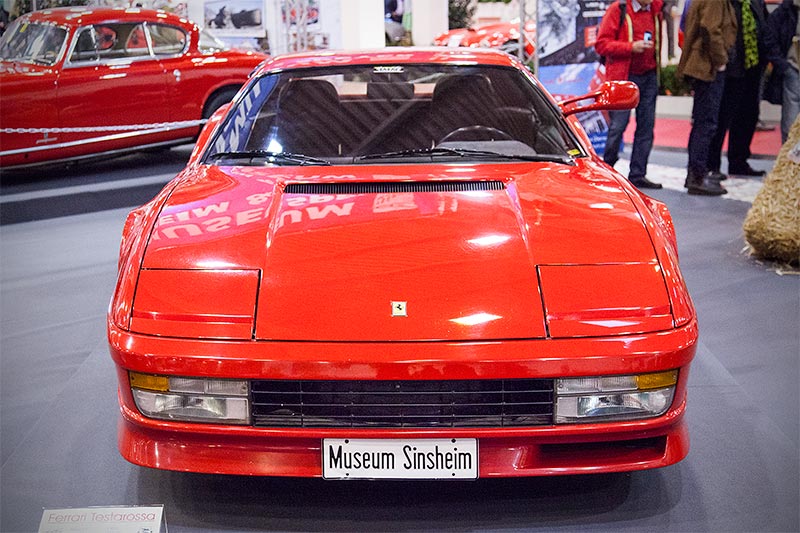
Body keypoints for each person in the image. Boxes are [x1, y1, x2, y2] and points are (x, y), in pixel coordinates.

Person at [596, 0, 664, 190]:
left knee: (646, 127)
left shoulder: (655, 8)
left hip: (649, 76)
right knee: (618, 126)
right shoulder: (618, 9)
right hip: (624, 78)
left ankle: (638, 174)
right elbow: (601, 45)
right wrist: (630, 47)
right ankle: (607, 170)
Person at [677, 0, 737, 195]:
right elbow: (710, 28)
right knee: (706, 123)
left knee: (703, 122)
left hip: (704, 67)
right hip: (707, 68)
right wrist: (721, 60)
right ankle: (697, 176)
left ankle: (696, 174)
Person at [707, 0, 770, 178]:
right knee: (722, 117)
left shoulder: (756, 2)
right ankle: (712, 165)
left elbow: (764, 26)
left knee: (748, 115)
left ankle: (739, 161)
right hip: (730, 67)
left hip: (754, 65)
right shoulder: (724, 2)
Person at [764, 0, 800, 143]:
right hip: (792, 70)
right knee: (790, 123)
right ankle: (788, 162)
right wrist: (783, 66)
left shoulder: (786, 10)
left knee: (790, 121)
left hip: (790, 69)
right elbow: (769, 38)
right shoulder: (786, 11)